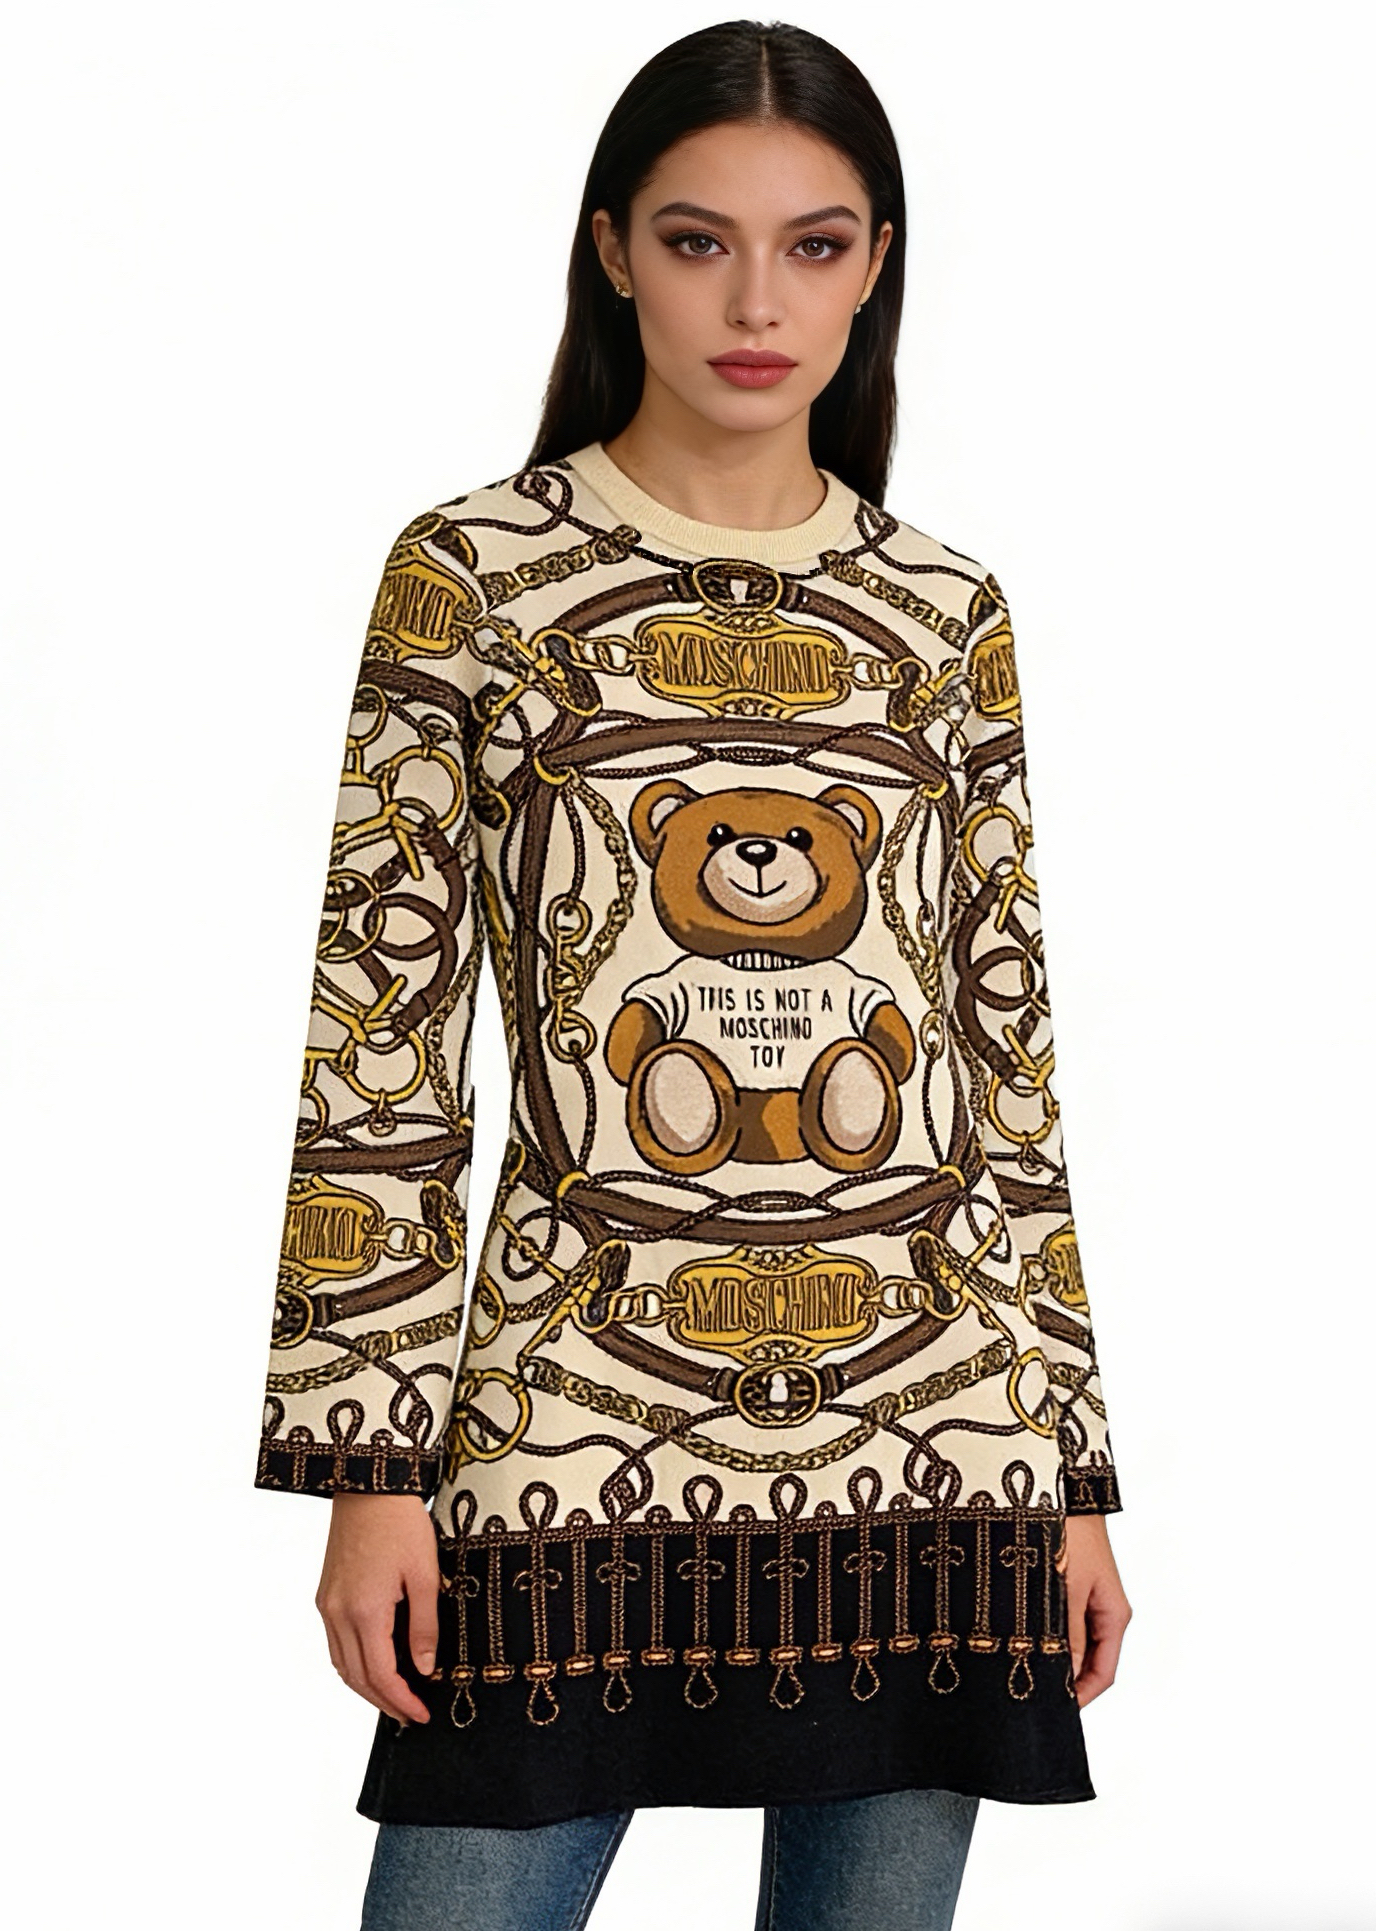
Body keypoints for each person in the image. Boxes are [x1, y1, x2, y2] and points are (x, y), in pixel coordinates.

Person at [254, 19, 1132, 1930]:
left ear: (875, 266)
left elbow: (1007, 1059)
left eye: (813, 245)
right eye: (696, 240)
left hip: (934, 1446)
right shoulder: (475, 578)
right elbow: (379, 1040)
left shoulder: (943, 613)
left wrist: (1072, 1469)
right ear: (611, 251)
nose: (756, 303)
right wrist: (370, 1468)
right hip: (563, 1424)